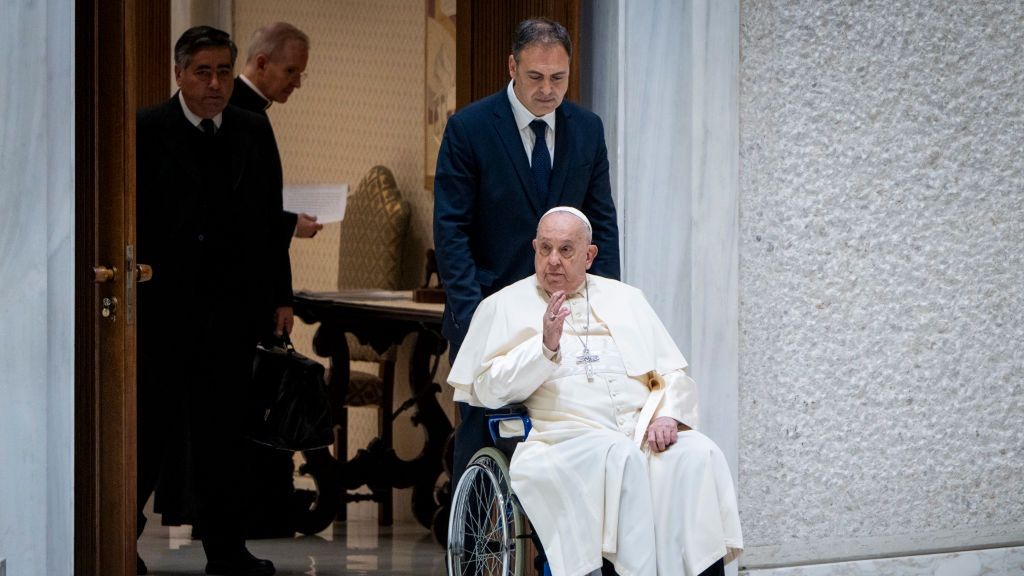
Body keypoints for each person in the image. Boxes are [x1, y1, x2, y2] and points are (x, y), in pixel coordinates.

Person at [449, 207, 743, 576]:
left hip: (639, 433)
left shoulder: (627, 299)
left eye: (566, 250)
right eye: (545, 249)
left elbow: (671, 372)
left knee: (699, 454)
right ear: (534, 249)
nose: (553, 261)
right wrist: (544, 347)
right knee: (619, 457)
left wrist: (667, 413)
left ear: (589, 256)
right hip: (562, 439)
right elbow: (488, 389)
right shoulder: (502, 306)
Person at [433, 17, 620, 485]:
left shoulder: (587, 129)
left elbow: (602, 226)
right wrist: (472, 315)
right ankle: (476, 553)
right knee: (483, 437)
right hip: (489, 305)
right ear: (511, 66)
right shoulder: (470, 128)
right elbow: (451, 229)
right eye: (535, 77)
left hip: (564, 311)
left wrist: (608, 305)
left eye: (558, 78)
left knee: (565, 431)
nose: (547, 90)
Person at [136, 25, 286, 576]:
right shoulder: (146, 129)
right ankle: (116, 537)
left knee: (225, 436)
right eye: (203, 71)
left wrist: (280, 295)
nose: (216, 83)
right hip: (161, 310)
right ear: (180, 74)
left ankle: (227, 550)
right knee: (149, 432)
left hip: (231, 309)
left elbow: (272, 222)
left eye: (224, 70)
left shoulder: (251, 129)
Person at [233, 21, 323, 243]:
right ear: (262, 64)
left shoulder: (249, 106)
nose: (297, 83)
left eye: (300, 73)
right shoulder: (232, 111)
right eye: (290, 71)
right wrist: (290, 225)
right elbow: (234, 204)